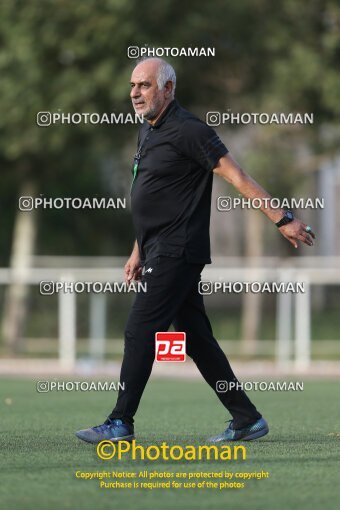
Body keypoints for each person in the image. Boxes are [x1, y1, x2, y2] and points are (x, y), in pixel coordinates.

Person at [76, 57, 315, 444]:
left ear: (168, 89)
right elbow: (153, 198)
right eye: (133, 85)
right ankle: (246, 418)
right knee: (196, 339)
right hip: (156, 251)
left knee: (140, 330)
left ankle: (121, 422)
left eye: (145, 85)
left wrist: (282, 217)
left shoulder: (191, 131)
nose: (135, 92)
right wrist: (138, 250)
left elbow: (237, 175)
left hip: (178, 250)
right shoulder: (147, 131)